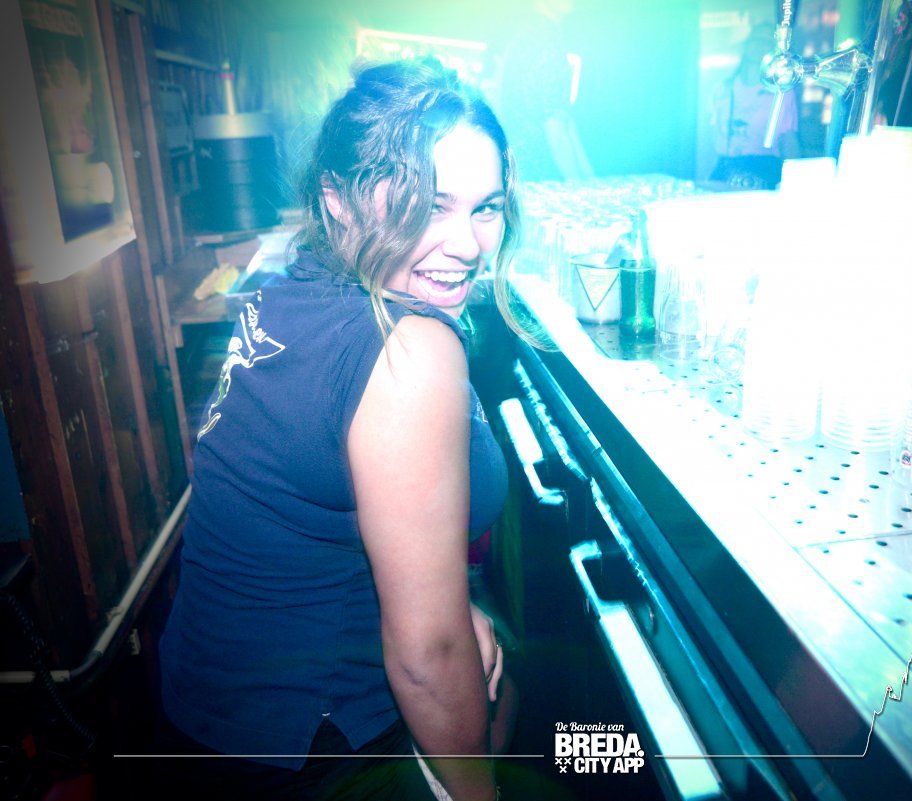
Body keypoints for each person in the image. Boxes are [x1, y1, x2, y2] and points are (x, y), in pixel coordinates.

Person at [155, 58, 519, 801]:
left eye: (485, 207)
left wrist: (450, 600)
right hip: (305, 751)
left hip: (203, 721)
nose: (467, 244)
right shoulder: (409, 350)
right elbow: (427, 656)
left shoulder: (288, 289)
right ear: (338, 201)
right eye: (428, 205)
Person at [495, 0, 593, 182]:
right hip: (543, 173)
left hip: (524, 169)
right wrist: (579, 183)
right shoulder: (545, 40)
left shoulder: (528, 34)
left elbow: (562, 117)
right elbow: (555, 127)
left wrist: (587, 174)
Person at [708, 22, 800, 190]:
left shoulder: (781, 91)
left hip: (763, 169)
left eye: (767, 41)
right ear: (746, 44)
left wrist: (797, 182)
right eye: (756, 39)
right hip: (725, 169)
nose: (760, 45)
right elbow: (711, 136)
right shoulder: (723, 88)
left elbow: (789, 140)